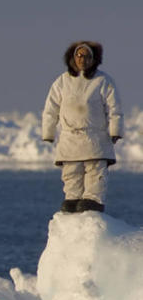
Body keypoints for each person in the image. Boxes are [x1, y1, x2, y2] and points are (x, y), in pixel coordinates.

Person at [42, 41, 123, 213]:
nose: (82, 59)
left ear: (94, 59)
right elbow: (51, 108)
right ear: (72, 58)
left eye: (87, 56)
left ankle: (93, 200)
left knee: (95, 172)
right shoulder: (62, 82)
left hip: (95, 137)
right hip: (70, 138)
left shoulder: (103, 81)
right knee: (71, 173)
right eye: (79, 55)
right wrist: (48, 132)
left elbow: (114, 107)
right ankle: (73, 198)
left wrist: (115, 130)